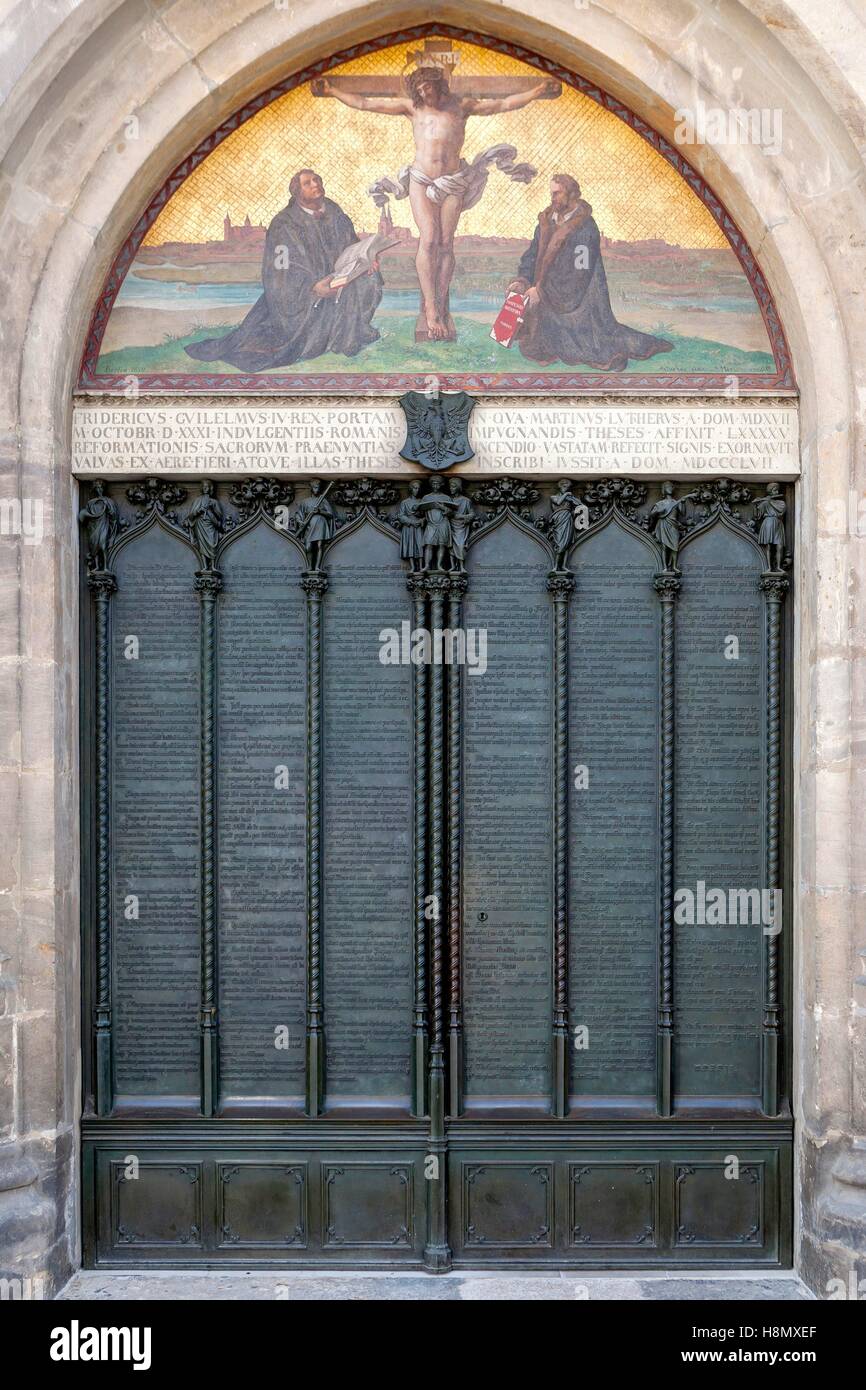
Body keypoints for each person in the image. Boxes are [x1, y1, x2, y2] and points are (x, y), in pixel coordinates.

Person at [315, 67, 558, 340]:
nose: (423, 93)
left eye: (427, 88)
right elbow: (366, 103)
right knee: (428, 240)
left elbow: (502, 104)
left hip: (453, 181)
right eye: (418, 90)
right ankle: (430, 308)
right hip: (421, 180)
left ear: (438, 85)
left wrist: (537, 91)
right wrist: (332, 91)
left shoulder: (461, 107)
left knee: (445, 243)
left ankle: (441, 303)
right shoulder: (412, 109)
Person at [184, 170, 382, 370]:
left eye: (317, 180)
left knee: (371, 279)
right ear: (297, 192)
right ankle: (326, 338)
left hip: (338, 278)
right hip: (301, 293)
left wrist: (367, 259)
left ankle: (351, 334)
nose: (315, 184)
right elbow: (280, 271)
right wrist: (313, 288)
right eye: (307, 183)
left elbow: (351, 243)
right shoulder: (283, 224)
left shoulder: (333, 210)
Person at [506, 174, 675, 369]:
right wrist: (522, 281)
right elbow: (531, 255)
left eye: (557, 193)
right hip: (547, 295)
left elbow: (581, 272)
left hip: (579, 301)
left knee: (593, 347)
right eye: (551, 193)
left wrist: (542, 292)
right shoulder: (545, 223)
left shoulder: (585, 227)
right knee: (533, 343)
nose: (552, 198)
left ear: (572, 194)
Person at [649, 482, 697, 572]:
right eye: (667, 487)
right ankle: (665, 567)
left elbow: (682, 513)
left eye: (671, 486)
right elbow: (652, 514)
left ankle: (674, 566)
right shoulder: (660, 504)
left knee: (675, 546)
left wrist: (682, 503)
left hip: (674, 525)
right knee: (664, 547)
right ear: (663, 490)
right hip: (663, 523)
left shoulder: (675, 502)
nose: (670, 488)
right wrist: (658, 511)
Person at [293, 479, 335, 571]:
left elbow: (330, 514)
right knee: (308, 547)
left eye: (318, 488)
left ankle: (317, 567)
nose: (317, 490)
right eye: (315, 488)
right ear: (311, 488)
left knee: (320, 545)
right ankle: (309, 566)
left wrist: (320, 511)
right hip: (309, 525)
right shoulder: (305, 502)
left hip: (320, 524)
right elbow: (298, 514)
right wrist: (300, 522)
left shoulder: (322, 500)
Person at [78, 480, 118, 571]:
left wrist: (109, 509)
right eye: (97, 488)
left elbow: (113, 513)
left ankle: (105, 567)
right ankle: (96, 566)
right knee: (94, 547)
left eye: (101, 488)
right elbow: (85, 515)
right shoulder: (91, 502)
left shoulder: (108, 501)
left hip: (103, 524)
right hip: (93, 526)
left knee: (103, 546)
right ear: (95, 489)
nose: (99, 490)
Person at [418, 484, 457, 572]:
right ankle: (427, 565)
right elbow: (420, 511)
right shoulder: (426, 498)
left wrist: (441, 507)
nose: (435, 486)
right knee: (428, 544)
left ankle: (439, 565)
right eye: (433, 483)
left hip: (443, 523)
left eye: (437, 484)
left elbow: (452, 512)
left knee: (441, 544)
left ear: (441, 485)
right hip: (431, 523)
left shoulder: (446, 498)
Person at [185, 480, 224, 569]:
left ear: (210, 488)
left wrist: (212, 508)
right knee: (202, 546)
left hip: (211, 524)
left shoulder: (214, 501)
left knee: (212, 544)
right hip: (200, 524)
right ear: (202, 488)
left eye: (207, 487)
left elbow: (220, 515)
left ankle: (213, 566)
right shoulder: (198, 500)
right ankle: (205, 566)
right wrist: (199, 511)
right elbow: (191, 516)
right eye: (204, 487)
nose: (205, 488)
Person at [754, 481, 786, 571]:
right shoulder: (764, 503)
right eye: (774, 490)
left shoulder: (781, 503)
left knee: (779, 546)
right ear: (770, 491)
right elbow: (757, 515)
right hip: (768, 523)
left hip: (778, 523)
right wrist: (757, 504)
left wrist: (769, 501)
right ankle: (769, 567)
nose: (776, 492)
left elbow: (782, 511)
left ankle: (779, 567)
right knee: (768, 546)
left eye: (777, 490)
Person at [447, 477, 474, 573]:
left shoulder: (466, 501)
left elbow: (472, 514)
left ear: (458, 487)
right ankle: (453, 566)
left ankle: (462, 566)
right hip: (450, 525)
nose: (451, 488)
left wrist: (461, 517)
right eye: (450, 486)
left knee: (460, 545)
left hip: (461, 526)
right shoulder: (448, 500)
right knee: (450, 546)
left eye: (453, 486)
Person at [396, 479, 424, 571]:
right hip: (409, 526)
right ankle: (412, 567)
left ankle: (420, 566)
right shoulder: (405, 502)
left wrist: (421, 519)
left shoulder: (422, 501)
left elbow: (427, 515)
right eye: (415, 488)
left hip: (419, 526)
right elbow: (401, 515)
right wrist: (411, 522)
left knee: (420, 545)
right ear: (411, 489)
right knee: (410, 545)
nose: (416, 490)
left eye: (418, 489)